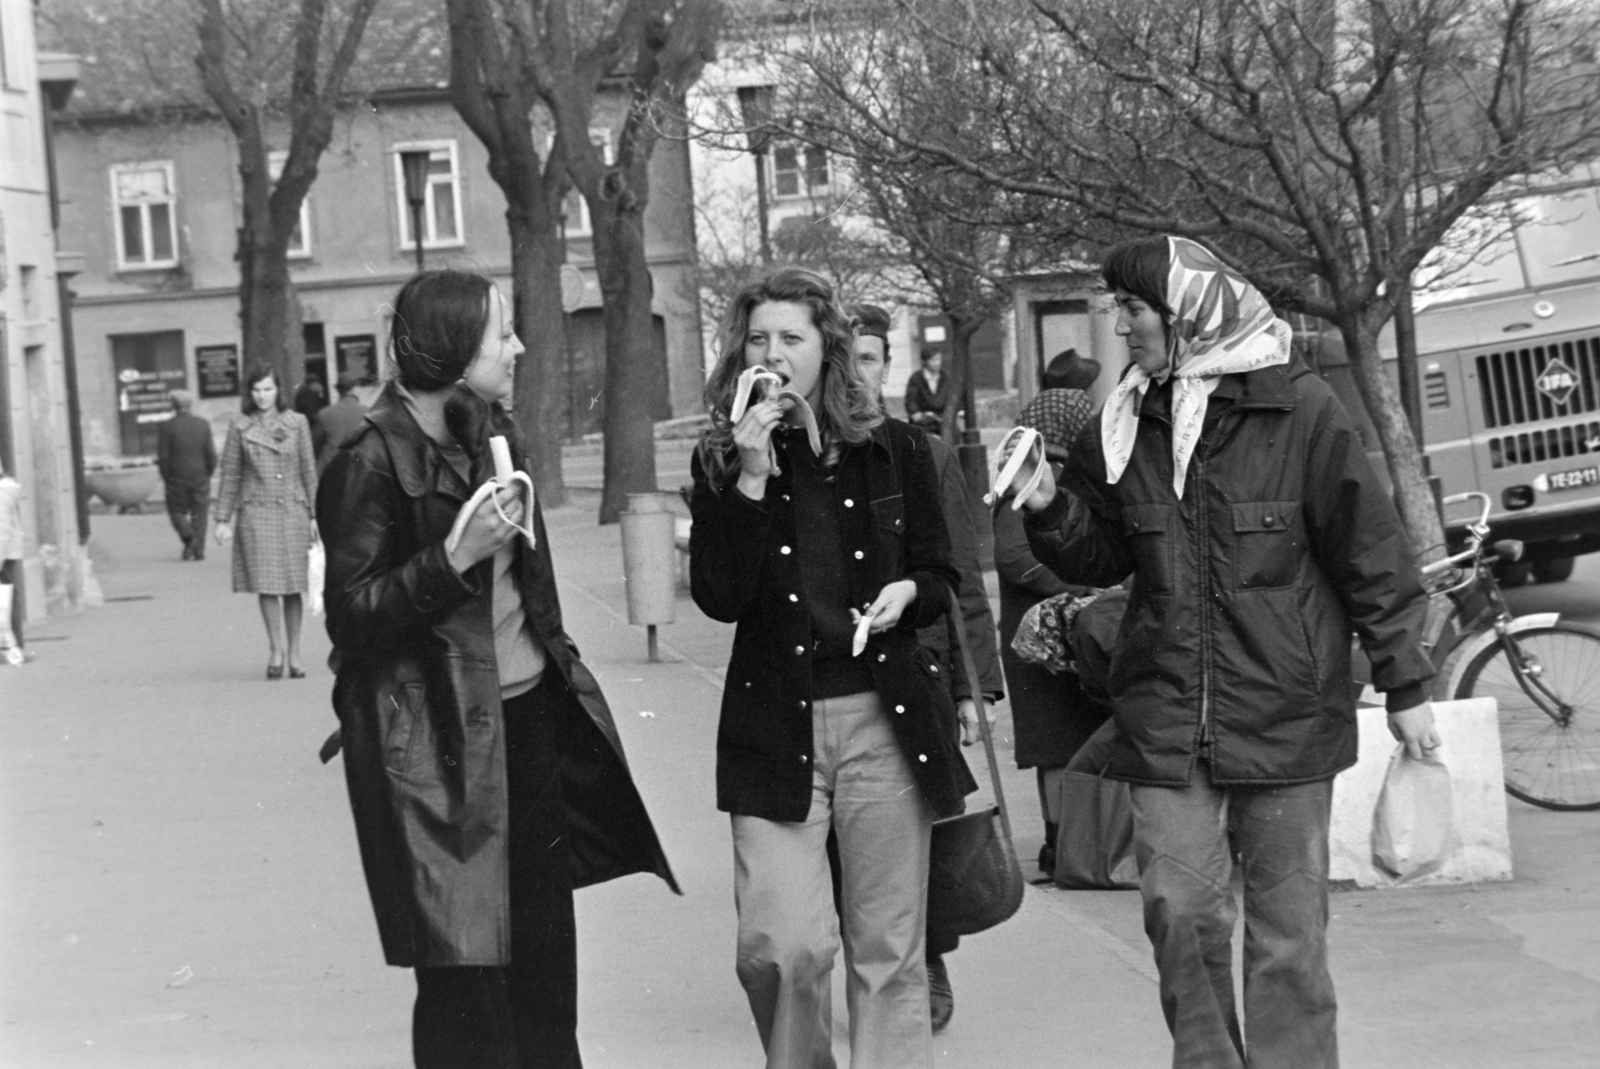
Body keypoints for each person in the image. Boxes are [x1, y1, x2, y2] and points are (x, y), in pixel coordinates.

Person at [1008, 235, 1439, 1069]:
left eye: (1133, 310)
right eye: (1117, 310)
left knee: (1288, 936)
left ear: (1187, 313)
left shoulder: (1301, 410)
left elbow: (1371, 551)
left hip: (1286, 714)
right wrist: (1050, 504)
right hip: (1167, 714)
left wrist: (1407, 682)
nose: (1121, 328)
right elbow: (1101, 557)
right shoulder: (1123, 420)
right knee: (1179, 908)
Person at [317, 269, 677, 1069]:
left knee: (547, 971)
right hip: (436, 750)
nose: (516, 347)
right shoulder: (366, 458)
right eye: (500, 335)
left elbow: (530, 588)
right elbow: (350, 615)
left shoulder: (490, 430)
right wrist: (451, 559)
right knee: (465, 981)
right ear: (452, 350)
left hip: (530, 722)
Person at [690, 267, 971, 1069]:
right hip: (774, 722)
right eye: (758, 338)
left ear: (828, 350)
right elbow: (716, 595)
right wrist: (748, 477)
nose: (772, 354)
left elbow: (942, 571)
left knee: (889, 951)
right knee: (781, 947)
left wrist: (908, 591)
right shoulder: (722, 457)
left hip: (884, 717)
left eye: (791, 338)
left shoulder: (897, 449)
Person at [851, 302, 1004, 1033]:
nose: (859, 372)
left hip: (921, 668)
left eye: (873, 358)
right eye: (848, 356)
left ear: (890, 366)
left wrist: (981, 686)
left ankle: (930, 954)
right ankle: (870, 961)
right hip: (841, 674)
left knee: (927, 823)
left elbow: (961, 576)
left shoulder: (924, 452)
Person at [994, 349, 1107, 874]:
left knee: (1058, 746)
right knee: (1057, 744)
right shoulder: (1033, 475)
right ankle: (1063, 845)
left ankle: (1063, 842)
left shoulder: (1038, 467)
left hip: (1046, 634)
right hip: (1043, 634)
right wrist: (1079, 584)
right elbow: (1015, 555)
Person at [213, 366, 318, 679]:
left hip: (294, 512)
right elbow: (231, 473)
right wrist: (222, 519)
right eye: (257, 390)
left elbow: (308, 470)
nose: (262, 396)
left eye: (268, 389)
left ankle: (296, 652)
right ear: (250, 393)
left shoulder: (297, 423)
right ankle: (276, 649)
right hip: (257, 514)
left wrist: (315, 514)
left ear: (278, 391)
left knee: (294, 586)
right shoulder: (240, 426)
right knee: (269, 586)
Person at [156, 390, 218, 561]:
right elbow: (211, 454)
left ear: (173, 405)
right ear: (190, 405)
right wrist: (208, 472)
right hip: (200, 475)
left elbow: (164, 457)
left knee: (176, 511)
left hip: (176, 477)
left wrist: (166, 476)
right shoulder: (202, 424)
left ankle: (189, 537)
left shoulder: (167, 427)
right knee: (200, 513)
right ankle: (199, 551)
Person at [315, 370, 369, 471]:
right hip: (360, 468)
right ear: (355, 389)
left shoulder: (325, 413)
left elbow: (314, 442)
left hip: (331, 468)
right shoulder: (368, 413)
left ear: (338, 390)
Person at [0, 459, 26, 663]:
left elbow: (2, 531)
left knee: (5, 598)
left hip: (3, 553)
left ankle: (11, 647)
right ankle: (13, 645)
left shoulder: (1, 493)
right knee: (8, 598)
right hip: (7, 552)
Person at [902, 346, 949, 435]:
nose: (937, 363)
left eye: (938, 359)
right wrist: (915, 412)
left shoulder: (945, 377)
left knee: (954, 434)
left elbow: (950, 397)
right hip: (924, 418)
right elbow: (911, 399)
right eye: (933, 360)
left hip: (941, 418)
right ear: (925, 361)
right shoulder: (916, 378)